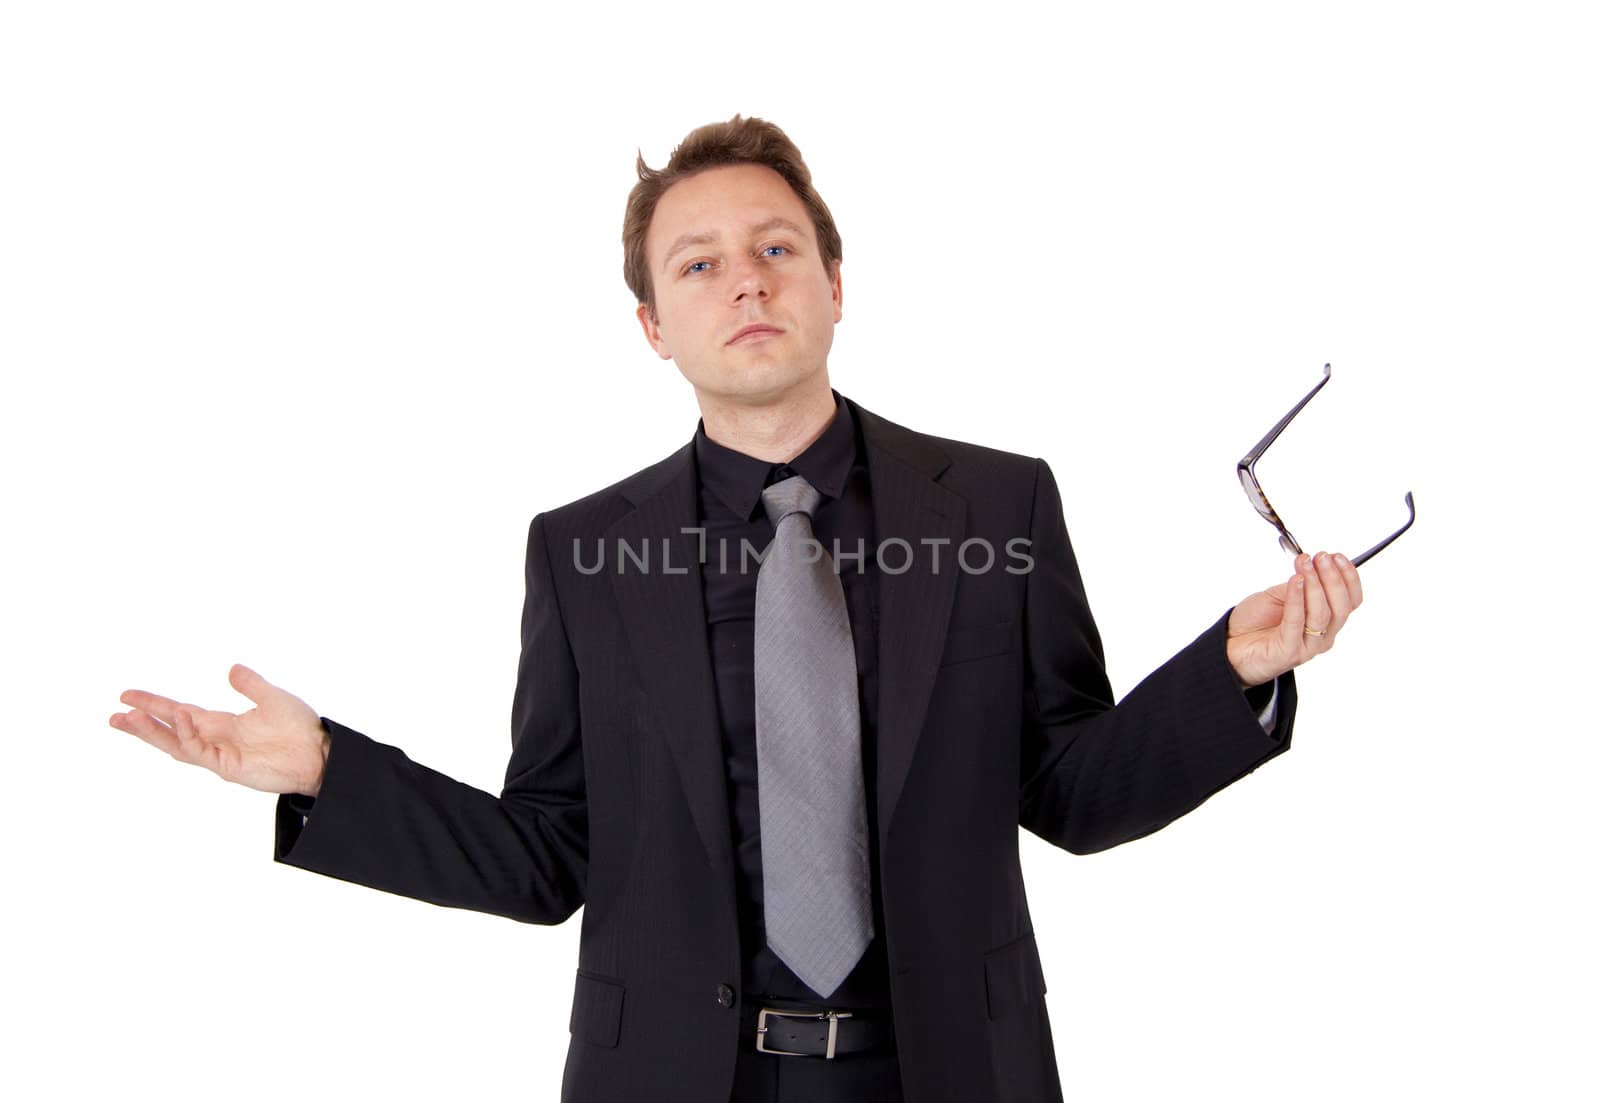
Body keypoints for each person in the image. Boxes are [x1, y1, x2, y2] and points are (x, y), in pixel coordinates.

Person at [110, 115, 1364, 1103]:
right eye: (698, 264)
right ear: (654, 326)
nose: (745, 283)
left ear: (833, 281)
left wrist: (1232, 671)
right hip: (670, 1074)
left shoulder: (996, 503)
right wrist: (329, 770)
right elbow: (551, 853)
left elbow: (1072, 791)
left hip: (951, 1069)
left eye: (776, 248)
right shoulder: (580, 551)